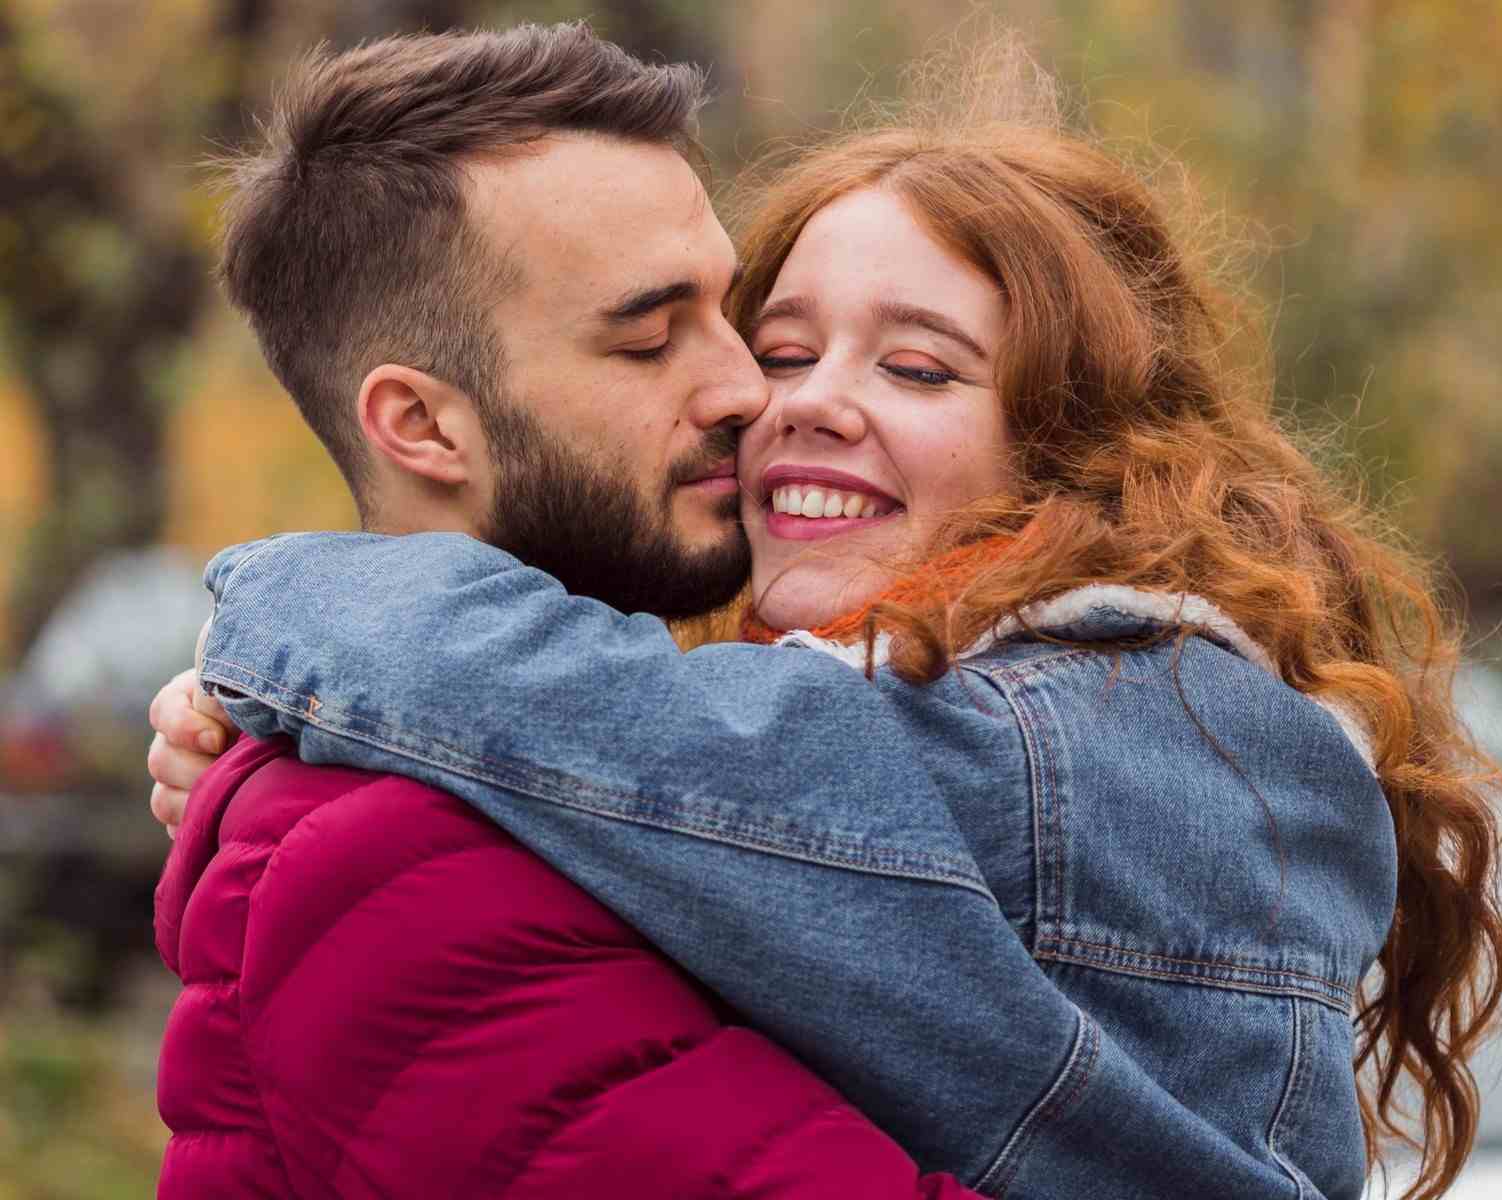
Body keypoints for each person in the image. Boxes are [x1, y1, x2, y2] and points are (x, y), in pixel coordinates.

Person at [150, 24, 1502, 1200]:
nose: (767, 396)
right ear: (415, 423)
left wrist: (267, 627)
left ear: (1072, 445)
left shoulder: (1097, 722)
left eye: (919, 367)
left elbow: (628, 731)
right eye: (771, 341)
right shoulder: (432, 845)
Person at [142, 24, 982, 1199]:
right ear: (424, 427)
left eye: (732, 316)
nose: (745, 387)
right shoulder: (393, 876)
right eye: (647, 339)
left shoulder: (588, 775)